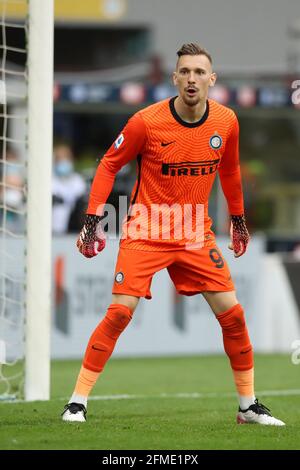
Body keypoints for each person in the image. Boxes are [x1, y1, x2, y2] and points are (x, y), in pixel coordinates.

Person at [61, 43, 285, 426]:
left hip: (195, 232)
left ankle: (247, 406)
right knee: (119, 313)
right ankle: (77, 402)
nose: (192, 79)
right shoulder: (145, 122)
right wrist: (91, 220)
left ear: (212, 80)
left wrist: (238, 219)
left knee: (233, 315)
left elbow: (229, 172)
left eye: (200, 72)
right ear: (175, 78)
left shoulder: (227, 121)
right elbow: (108, 165)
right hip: (145, 230)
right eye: (185, 72)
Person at [52, 143, 86, 234]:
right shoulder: (50, 181)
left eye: (66, 158)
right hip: (53, 228)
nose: (63, 162)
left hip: (74, 230)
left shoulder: (78, 181)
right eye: (60, 159)